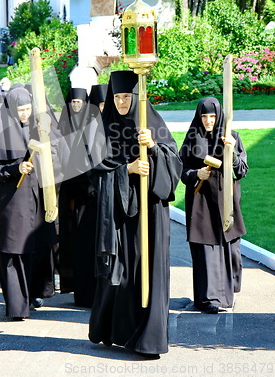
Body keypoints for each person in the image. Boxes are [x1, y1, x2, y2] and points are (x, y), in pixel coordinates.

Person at [88, 70, 182, 358]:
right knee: (123, 272)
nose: (121, 103)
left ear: (137, 98)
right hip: (119, 216)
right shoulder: (106, 128)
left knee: (148, 270)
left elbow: (174, 164)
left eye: (127, 97)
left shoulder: (153, 125)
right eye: (117, 97)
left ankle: (147, 339)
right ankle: (116, 331)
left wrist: (152, 148)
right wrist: (126, 170)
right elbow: (94, 171)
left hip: (151, 214)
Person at [0, 87, 66, 320]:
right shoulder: (0, 130)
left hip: (36, 199)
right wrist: (15, 168)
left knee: (37, 246)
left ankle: (34, 294)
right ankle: (17, 306)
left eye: (28, 109)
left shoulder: (36, 126)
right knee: (13, 250)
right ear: (11, 109)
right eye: (20, 110)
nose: (25, 114)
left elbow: (57, 153)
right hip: (11, 203)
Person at [179, 97, 248, 314]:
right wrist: (195, 174)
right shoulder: (191, 139)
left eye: (212, 116)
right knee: (206, 249)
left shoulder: (232, 137)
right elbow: (181, 170)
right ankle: (208, 298)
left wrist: (232, 151)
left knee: (232, 248)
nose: (208, 121)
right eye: (204, 116)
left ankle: (229, 291)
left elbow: (241, 170)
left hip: (227, 200)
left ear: (219, 117)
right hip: (201, 202)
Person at [57, 87, 106, 307]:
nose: (77, 106)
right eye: (73, 102)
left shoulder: (96, 127)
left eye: (81, 102)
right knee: (80, 244)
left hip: (97, 196)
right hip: (77, 198)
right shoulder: (65, 127)